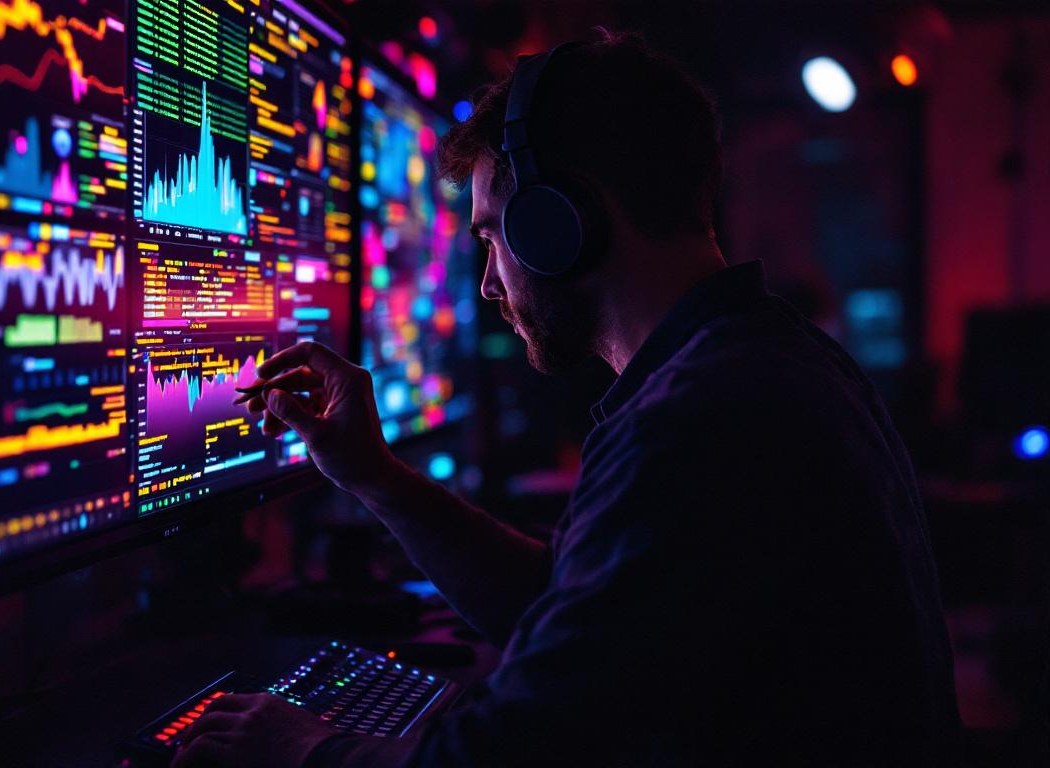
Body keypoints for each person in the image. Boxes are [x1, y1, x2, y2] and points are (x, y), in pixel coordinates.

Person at [172, 30, 960, 767]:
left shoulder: (697, 422)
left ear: (558, 223)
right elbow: (576, 617)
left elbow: (515, 753)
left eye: (490, 236)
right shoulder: (762, 363)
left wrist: (306, 749)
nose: (487, 284)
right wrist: (374, 475)